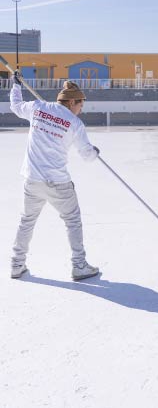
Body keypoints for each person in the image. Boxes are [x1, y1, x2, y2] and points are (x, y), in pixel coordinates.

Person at [9, 73, 100, 280]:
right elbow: (87, 156)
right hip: (58, 183)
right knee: (73, 220)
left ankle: (16, 265)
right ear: (71, 102)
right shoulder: (74, 123)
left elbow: (16, 106)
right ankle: (79, 265)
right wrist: (95, 151)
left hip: (32, 180)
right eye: (80, 104)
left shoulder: (38, 108)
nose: (81, 109)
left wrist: (15, 86)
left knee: (27, 221)